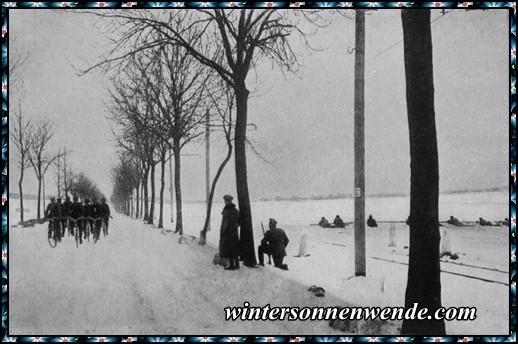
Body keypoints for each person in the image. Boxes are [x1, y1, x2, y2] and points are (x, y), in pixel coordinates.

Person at [219, 195, 240, 270]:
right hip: (234, 232)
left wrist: (222, 232)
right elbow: (239, 221)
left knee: (229, 248)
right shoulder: (236, 210)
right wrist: (235, 227)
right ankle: (237, 264)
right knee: (235, 248)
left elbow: (225, 223)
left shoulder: (226, 211)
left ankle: (231, 265)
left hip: (227, 232)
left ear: (226, 201)